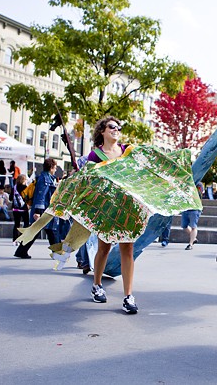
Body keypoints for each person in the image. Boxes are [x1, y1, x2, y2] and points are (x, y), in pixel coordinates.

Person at [86, 116, 139, 314]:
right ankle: (96, 284)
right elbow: (89, 182)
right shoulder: (95, 155)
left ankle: (128, 296)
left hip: (127, 205)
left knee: (128, 249)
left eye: (118, 127)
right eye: (111, 127)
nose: (116, 129)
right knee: (104, 248)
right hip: (105, 207)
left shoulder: (127, 151)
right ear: (102, 131)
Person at [13, 158, 58, 259]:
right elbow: (40, 195)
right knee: (49, 230)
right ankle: (57, 253)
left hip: (44, 208)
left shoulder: (46, 177)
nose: (55, 170)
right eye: (55, 168)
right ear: (51, 168)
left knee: (41, 231)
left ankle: (21, 250)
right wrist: (38, 211)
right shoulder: (45, 179)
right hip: (43, 209)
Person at [11, 174, 29, 241]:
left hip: (15, 209)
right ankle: (23, 238)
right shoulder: (25, 187)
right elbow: (27, 197)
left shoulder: (14, 188)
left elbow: (10, 198)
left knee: (16, 224)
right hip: (23, 208)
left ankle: (15, 238)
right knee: (26, 223)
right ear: (23, 180)